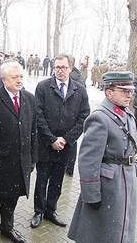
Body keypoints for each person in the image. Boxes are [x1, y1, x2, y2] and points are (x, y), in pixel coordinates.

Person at [68, 71, 137, 243]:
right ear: (109, 92)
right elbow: (88, 161)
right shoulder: (100, 118)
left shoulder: (127, 114)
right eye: (124, 90)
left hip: (124, 181)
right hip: (108, 187)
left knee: (121, 227)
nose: (129, 95)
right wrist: (91, 194)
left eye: (131, 90)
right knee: (101, 233)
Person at [0, 61, 37, 243]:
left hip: (20, 161)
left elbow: (33, 131)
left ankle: (7, 228)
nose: (19, 80)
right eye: (15, 77)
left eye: (21, 76)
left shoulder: (29, 98)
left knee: (12, 198)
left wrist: (33, 158)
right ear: (3, 79)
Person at [30, 53, 90, 229]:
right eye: (57, 67)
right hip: (45, 144)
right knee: (41, 180)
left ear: (71, 68)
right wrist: (51, 139)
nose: (60, 71)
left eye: (63, 67)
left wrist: (66, 139)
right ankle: (38, 211)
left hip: (66, 146)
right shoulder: (43, 87)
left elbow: (83, 117)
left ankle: (51, 210)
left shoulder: (79, 90)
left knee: (57, 181)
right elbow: (38, 115)